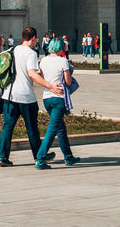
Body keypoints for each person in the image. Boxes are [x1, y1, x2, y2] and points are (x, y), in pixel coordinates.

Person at [0, 26, 63, 167]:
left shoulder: (11, 50)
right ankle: (39, 156)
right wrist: (50, 86)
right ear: (33, 38)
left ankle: (2, 157)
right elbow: (32, 73)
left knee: (7, 127)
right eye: (36, 39)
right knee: (32, 128)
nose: (36, 41)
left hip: (9, 95)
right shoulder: (31, 53)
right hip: (26, 96)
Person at [34, 38, 80, 168]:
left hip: (46, 98)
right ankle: (40, 158)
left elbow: (43, 78)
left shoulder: (43, 60)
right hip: (58, 98)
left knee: (60, 128)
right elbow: (69, 82)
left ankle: (69, 157)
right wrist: (70, 69)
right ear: (61, 48)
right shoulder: (63, 61)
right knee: (52, 130)